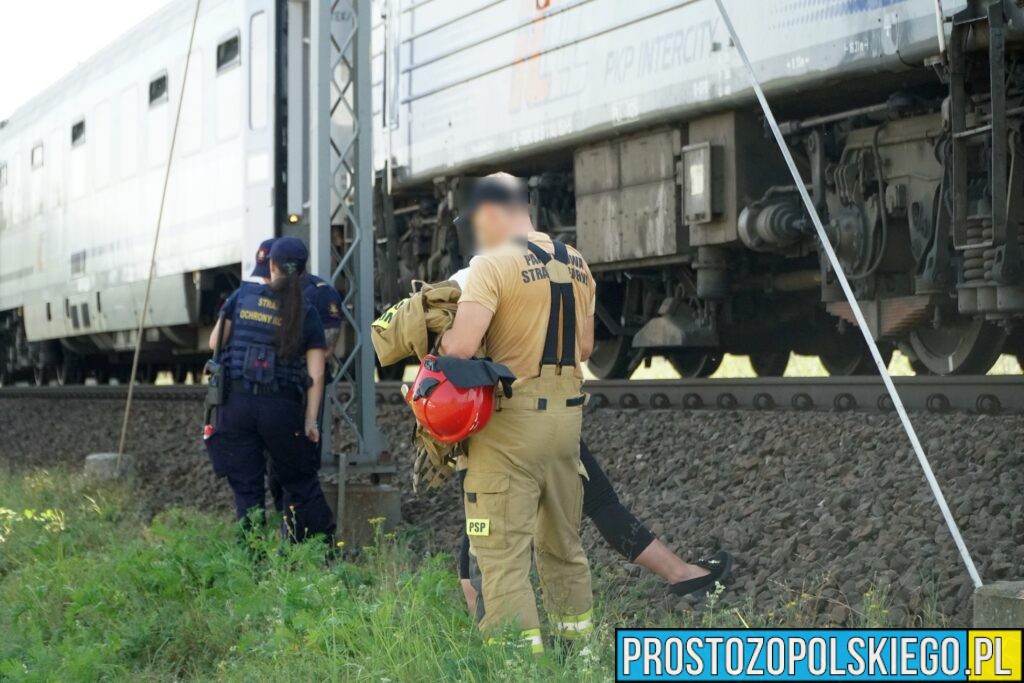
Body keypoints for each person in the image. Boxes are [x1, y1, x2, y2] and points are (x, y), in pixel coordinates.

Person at [436, 173, 597, 652]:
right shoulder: (577, 262)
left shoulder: (491, 265)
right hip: (567, 424)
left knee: (502, 557)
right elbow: (585, 347)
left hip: (511, 428)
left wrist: (438, 338)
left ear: (490, 214)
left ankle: (517, 665)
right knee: (564, 549)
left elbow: (461, 349)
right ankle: (580, 655)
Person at [204, 237, 335, 543]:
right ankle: (324, 553)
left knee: (247, 491)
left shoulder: (241, 297)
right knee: (301, 483)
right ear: (302, 273)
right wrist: (310, 421)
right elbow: (317, 373)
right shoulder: (307, 313)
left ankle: (250, 561)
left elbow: (214, 344)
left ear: (270, 266)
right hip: (282, 411)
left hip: (235, 407)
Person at [249, 237, 343, 514]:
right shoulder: (262, 297)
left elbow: (324, 350)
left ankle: (301, 534)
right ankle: (288, 527)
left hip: (302, 390)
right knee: (272, 467)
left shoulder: (319, 294)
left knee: (299, 466)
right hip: (270, 392)